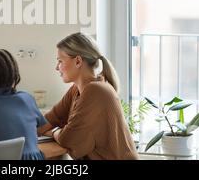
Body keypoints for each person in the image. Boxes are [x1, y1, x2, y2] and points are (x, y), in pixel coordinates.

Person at [40, 32, 139, 160]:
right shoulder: (77, 89)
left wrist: (52, 132)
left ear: (78, 61)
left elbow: (68, 139)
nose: (56, 67)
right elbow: (52, 118)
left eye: (60, 61)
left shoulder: (96, 91)